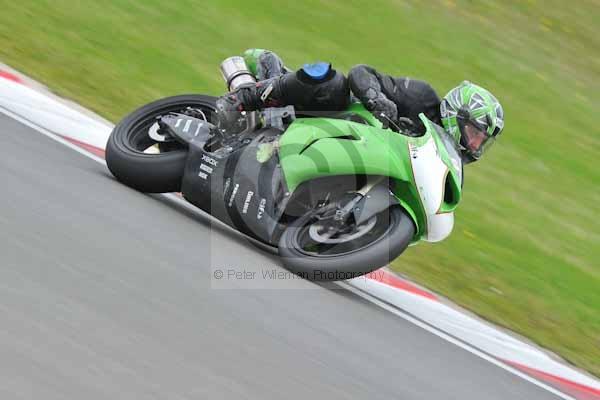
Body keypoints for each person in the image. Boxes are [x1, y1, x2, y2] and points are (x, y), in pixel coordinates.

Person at [216, 49, 504, 162]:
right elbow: (361, 72)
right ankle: (242, 98)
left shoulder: (442, 161)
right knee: (333, 81)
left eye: (481, 141)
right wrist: (377, 99)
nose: (475, 145)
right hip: (336, 115)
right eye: (474, 134)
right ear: (456, 115)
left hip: (352, 155)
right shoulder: (422, 98)